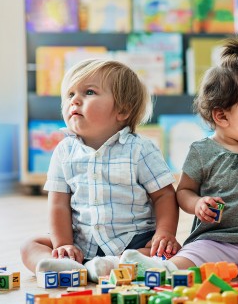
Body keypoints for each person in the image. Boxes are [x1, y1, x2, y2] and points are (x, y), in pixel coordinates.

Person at [121, 38, 238, 287]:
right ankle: (161, 268)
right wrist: (197, 203)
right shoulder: (202, 151)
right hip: (218, 239)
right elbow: (184, 191)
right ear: (221, 116)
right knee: (193, 256)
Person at [20, 59, 180, 282]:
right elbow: (58, 202)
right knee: (30, 245)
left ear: (122, 111)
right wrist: (63, 244)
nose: (74, 100)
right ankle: (65, 265)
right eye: (69, 94)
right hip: (82, 242)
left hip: (132, 240)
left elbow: (164, 195)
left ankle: (114, 264)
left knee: (165, 252)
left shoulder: (140, 149)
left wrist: (165, 233)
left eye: (89, 92)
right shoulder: (64, 151)